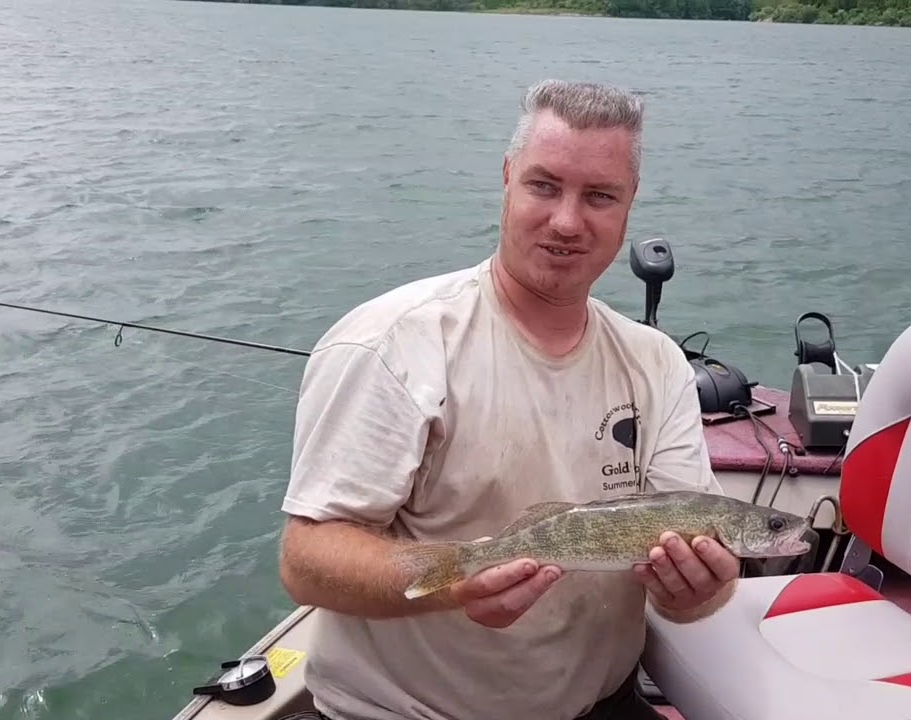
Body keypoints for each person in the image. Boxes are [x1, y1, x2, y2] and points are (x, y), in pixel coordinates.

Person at [277, 78, 740, 720]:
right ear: (506, 178)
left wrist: (700, 590)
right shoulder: (393, 342)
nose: (567, 222)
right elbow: (307, 557)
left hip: (604, 703)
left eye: (600, 196)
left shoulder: (656, 361)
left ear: (629, 205)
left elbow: (687, 593)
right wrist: (455, 583)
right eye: (544, 185)